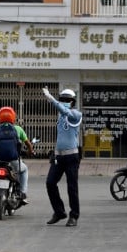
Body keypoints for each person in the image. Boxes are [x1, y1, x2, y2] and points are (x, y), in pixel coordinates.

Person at [42, 87, 82, 227]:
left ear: (72, 101)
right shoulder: (61, 116)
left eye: (67, 100)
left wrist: (51, 99)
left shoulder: (76, 114)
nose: (65, 102)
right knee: (50, 183)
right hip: (59, 156)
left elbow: (65, 110)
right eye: (62, 100)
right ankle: (59, 212)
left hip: (72, 156)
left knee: (72, 187)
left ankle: (74, 216)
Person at [0, 106, 34, 203]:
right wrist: (30, 152)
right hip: (14, 160)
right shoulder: (18, 129)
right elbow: (28, 144)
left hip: (0, 160)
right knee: (24, 170)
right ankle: (22, 193)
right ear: (13, 117)